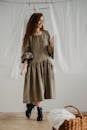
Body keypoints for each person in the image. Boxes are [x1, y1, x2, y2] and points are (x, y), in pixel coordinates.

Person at [21, 13, 55, 121]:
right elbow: (27, 52)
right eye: (39, 20)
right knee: (38, 90)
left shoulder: (46, 33)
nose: (41, 22)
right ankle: (40, 111)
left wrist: (52, 46)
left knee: (42, 90)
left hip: (46, 65)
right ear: (33, 21)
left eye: (42, 20)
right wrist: (25, 66)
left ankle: (31, 106)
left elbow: (49, 52)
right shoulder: (29, 36)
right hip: (34, 66)